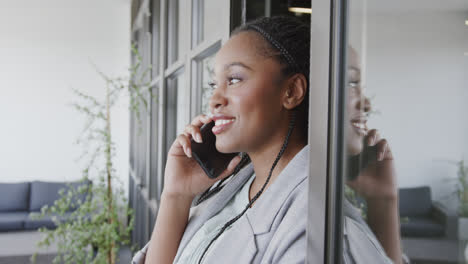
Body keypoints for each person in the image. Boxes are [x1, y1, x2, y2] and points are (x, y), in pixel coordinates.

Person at [132, 16, 403, 264]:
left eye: (235, 79)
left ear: (292, 91)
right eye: (214, 85)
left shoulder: (310, 235)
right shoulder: (240, 186)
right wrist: (176, 196)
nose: (214, 100)